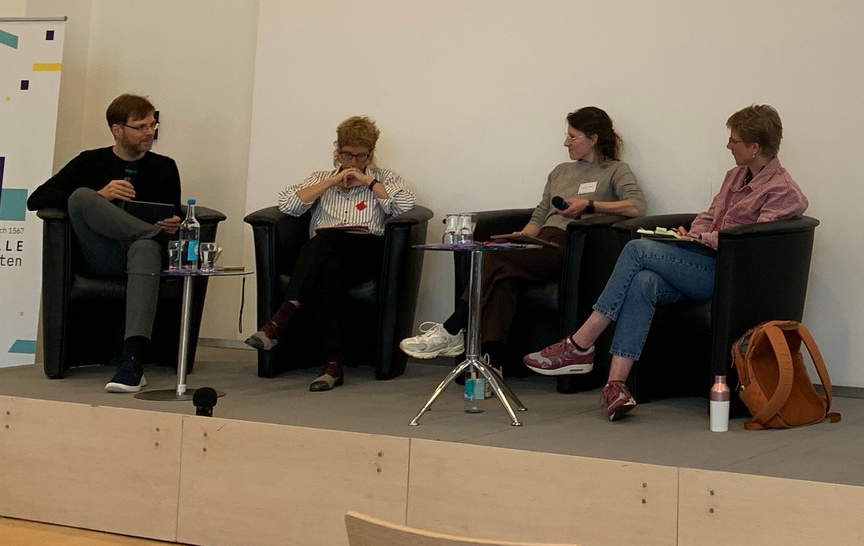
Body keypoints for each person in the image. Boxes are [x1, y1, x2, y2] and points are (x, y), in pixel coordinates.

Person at [525, 104, 807, 421]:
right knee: (644, 281)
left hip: (732, 275)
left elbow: (754, 243)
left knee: (637, 250)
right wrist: (692, 233)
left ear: (755, 147)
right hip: (706, 261)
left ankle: (581, 343)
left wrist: (706, 239)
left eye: (734, 141)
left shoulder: (782, 190)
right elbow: (710, 217)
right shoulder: (735, 176)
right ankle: (616, 384)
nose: (728, 146)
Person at [401, 106, 643, 364]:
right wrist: (522, 237)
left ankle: (452, 328)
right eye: (567, 136)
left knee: (493, 260)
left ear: (593, 139)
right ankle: (492, 362)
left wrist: (590, 205)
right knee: (501, 272)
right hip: (541, 242)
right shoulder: (560, 171)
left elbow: (636, 206)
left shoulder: (615, 170)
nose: (566, 143)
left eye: (573, 137)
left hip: (571, 247)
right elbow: (540, 215)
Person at [243, 117, 418, 392]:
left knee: (328, 238)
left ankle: (280, 320)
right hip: (329, 254)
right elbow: (288, 205)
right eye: (348, 154)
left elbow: (406, 206)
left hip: (366, 251)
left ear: (370, 154)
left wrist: (368, 182)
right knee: (329, 270)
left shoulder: (385, 178)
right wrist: (331, 183)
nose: (353, 161)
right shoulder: (321, 178)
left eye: (360, 156)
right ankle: (334, 364)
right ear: (338, 151)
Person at [28, 94, 184, 394]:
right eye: (140, 127)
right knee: (81, 196)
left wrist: (172, 224)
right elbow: (37, 199)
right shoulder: (90, 161)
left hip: (145, 255)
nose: (149, 132)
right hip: (103, 255)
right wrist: (101, 195)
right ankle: (146, 233)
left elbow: (173, 212)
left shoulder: (165, 167)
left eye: (153, 125)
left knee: (145, 246)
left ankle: (133, 360)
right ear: (117, 129)